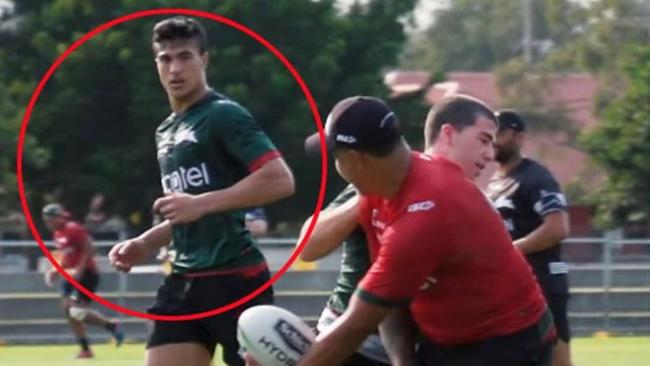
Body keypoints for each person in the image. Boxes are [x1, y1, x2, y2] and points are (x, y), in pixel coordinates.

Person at [248, 95, 555, 366]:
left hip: (507, 341)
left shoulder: (427, 209)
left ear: (357, 160)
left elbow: (358, 322)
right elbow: (389, 304)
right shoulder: (377, 194)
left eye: (336, 158)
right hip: (449, 341)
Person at [108, 16, 294, 366]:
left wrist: (203, 203)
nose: (175, 68)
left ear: (204, 60)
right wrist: (146, 243)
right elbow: (188, 213)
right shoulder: (165, 131)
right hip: (182, 281)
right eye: (165, 59)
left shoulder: (224, 115)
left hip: (235, 280)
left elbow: (280, 179)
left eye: (185, 57)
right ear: (156, 64)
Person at [487, 109, 572, 366]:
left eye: (501, 132)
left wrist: (509, 252)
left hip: (542, 279)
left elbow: (558, 228)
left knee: (555, 354)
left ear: (520, 137)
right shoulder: (494, 181)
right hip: (509, 283)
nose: (494, 139)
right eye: (491, 132)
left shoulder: (535, 177)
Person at [42, 203, 124, 359]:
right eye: (46, 221)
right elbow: (66, 256)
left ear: (58, 217)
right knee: (69, 311)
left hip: (87, 274)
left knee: (75, 311)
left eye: (50, 220)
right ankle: (86, 348)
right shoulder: (57, 234)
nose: (48, 224)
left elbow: (89, 248)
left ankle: (111, 326)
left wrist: (79, 269)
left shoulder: (73, 228)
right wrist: (55, 270)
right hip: (71, 275)